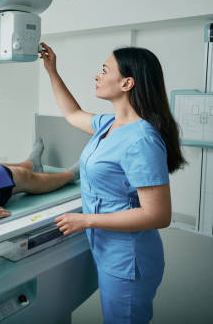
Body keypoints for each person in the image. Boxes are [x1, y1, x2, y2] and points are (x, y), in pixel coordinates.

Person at [39, 42, 185, 324]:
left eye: (104, 70)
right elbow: (72, 114)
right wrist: (51, 70)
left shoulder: (141, 139)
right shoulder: (110, 124)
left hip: (128, 257)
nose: (97, 75)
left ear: (127, 83)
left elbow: (158, 215)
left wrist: (87, 221)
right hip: (108, 248)